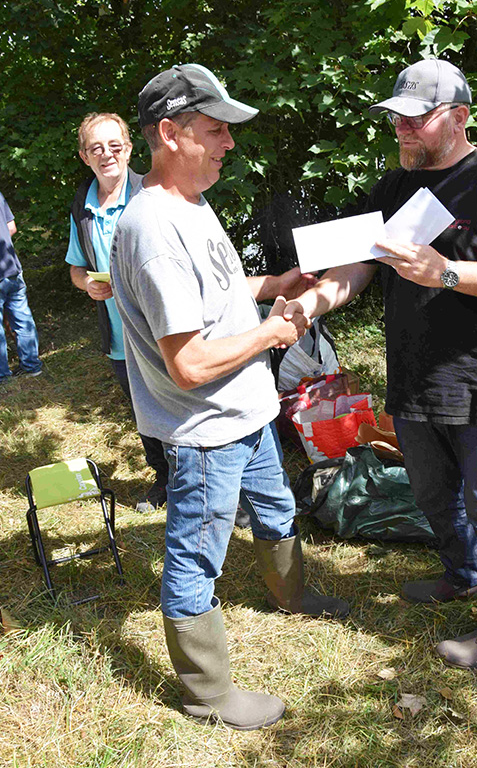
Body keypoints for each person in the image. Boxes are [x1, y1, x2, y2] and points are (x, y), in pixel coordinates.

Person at [284, 58, 477, 670]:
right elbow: (358, 265)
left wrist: (450, 272)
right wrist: (309, 305)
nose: (403, 130)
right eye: (397, 120)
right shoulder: (393, 188)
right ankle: (462, 574)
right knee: (435, 497)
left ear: (458, 118)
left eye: (416, 119)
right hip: (413, 381)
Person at [110, 63, 349, 730]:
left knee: (275, 507)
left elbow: (213, 293)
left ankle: (292, 594)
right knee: (194, 554)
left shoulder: (190, 202)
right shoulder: (154, 230)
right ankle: (209, 696)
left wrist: (273, 284)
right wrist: (275, 331)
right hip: (206, 426)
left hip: (248, 411)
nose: (229, 143)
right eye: (215, 130)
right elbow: (188, 364)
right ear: (169, 133)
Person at [66, 113, 170, 512]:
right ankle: (164, 478)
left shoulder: (155, 192)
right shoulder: (82, 207)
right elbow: (76, 267)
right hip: (119, 337)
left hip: (164, 330)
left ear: (129, 149)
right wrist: (87, 285)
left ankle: (196, 481)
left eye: (114, 145)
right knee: (144, 413)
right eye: (97, 148)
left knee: (182, 405)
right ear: (84, 156)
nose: (107, 154)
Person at [0, 187, 43, 384]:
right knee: (23, 318)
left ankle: (1, 377)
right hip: (11, 266)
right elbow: (11, 227)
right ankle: (32, 366)